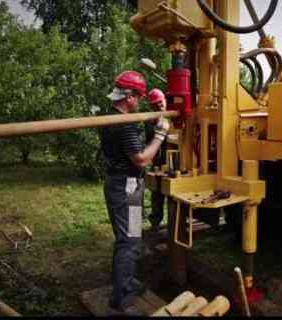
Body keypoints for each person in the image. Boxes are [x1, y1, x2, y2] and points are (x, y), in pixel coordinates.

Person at [100, 71, 170, 312]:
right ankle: (121, 300)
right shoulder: (125, 124)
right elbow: (141, 160)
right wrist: (160, 135)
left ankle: (127, 282)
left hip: (118, 182)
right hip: (126, 184)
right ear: (128, 96)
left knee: (130, 237)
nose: (139, 101)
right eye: (138, 96)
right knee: (128, 241)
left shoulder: (108, 115)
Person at [145, 89, 168, 232]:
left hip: (176, 161)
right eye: (155, 105)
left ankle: (178, 223)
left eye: (160, 102)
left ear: (164, 100)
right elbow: (149, 143)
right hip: (158, 162)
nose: (158, 106)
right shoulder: (149, 122)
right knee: (157, 193)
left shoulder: (174, 116)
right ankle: (155, 222)